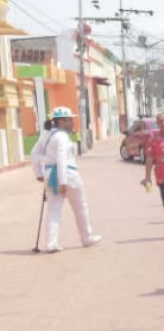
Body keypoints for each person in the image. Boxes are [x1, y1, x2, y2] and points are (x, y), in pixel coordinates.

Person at [34, 107, 102, 252]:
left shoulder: (46, 135)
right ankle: (86, 237)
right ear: (60, 121)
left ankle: (51, 243)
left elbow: (35, 153)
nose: (72, 122)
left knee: (53, 210)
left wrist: (38, 173)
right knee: (80, 206)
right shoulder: (62, 136)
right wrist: (63, 182)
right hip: (68, 175)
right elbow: (61, 158)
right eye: (69, 119)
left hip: (50, 174)